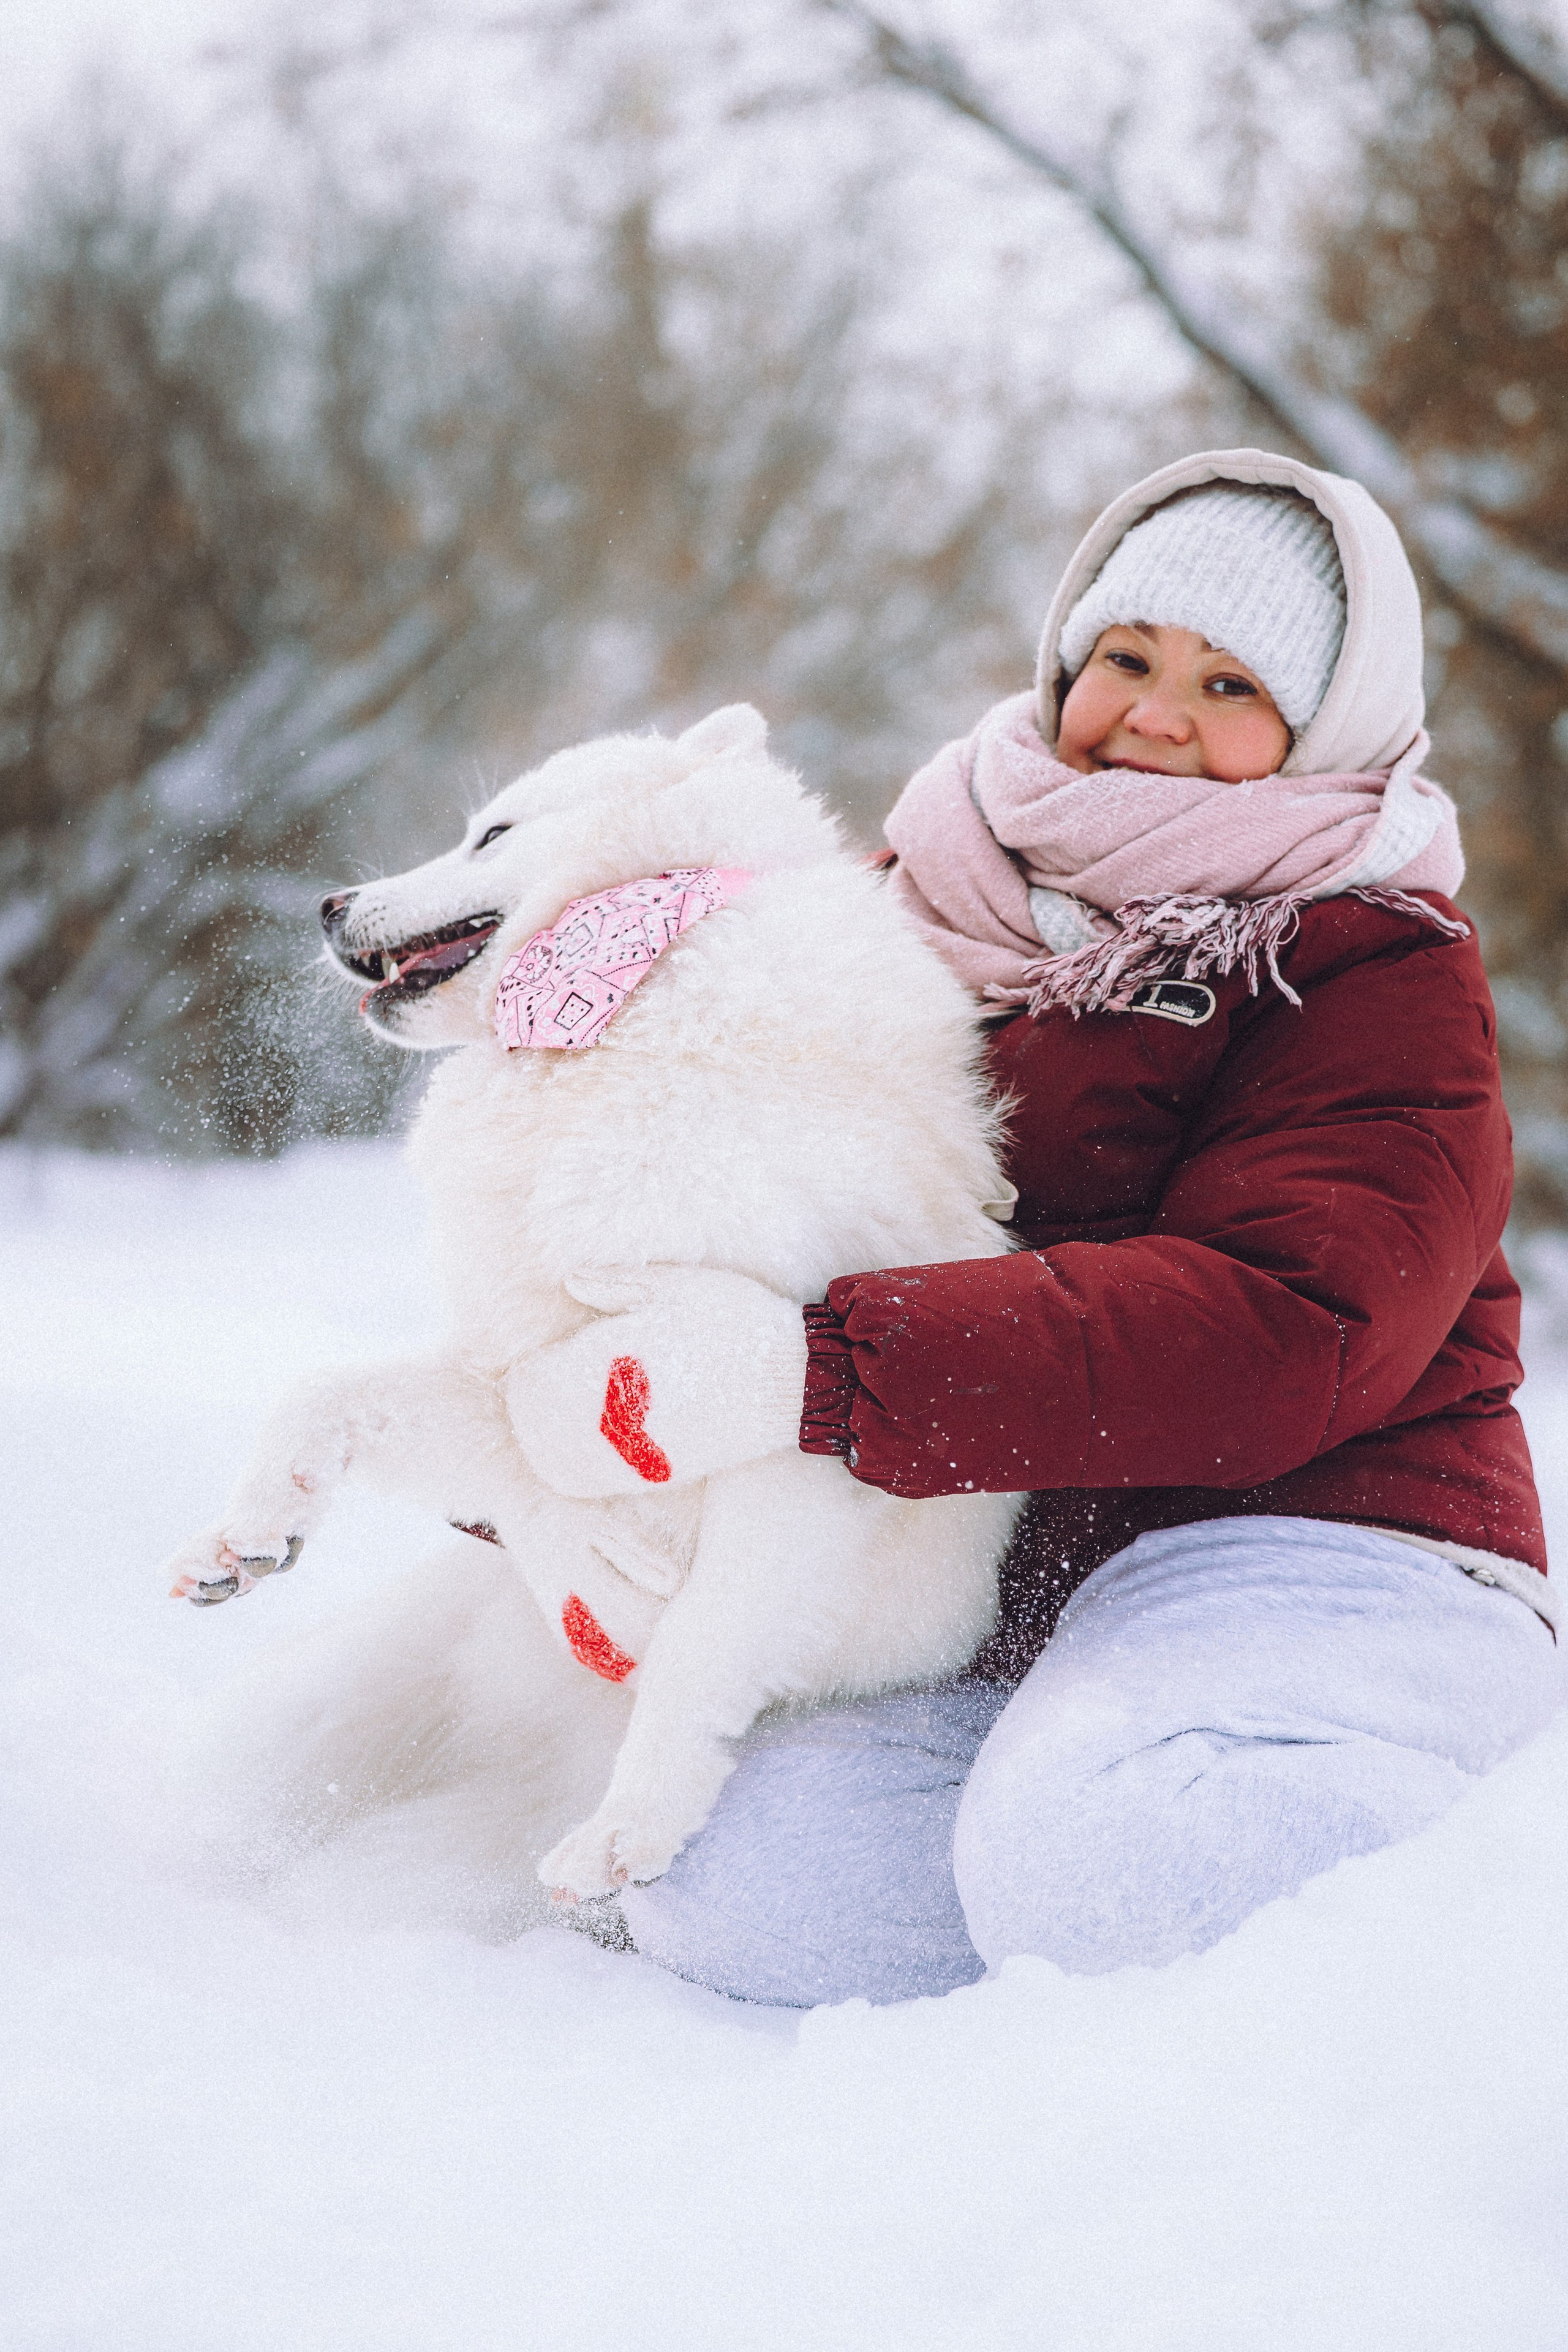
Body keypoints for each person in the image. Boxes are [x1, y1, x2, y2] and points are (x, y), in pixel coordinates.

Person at [533, 448, 1565, 2002]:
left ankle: (1494, 1891)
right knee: (733, 1881)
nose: (1155, 712)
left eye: (1230, 685)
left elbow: (1287, 1324)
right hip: (1012, 1580)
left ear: (1328, 723)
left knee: (1094, 1857)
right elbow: (731, 1159)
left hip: (1325, 1543)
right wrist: (572, 1433)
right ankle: (1121, 1891)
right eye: (1126, 657)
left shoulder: (1367, 959)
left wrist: (814, 1372)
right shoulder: (917, 894)